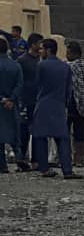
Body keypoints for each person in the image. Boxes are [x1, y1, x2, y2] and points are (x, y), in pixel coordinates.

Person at [32, 38, 81, 180]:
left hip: (42, 105)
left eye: (41, 49)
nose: (40, 51)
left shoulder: (41, 66)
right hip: (58, 105)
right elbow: (68, 90)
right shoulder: (65, 67)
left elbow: (37, 84)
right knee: (62, 138)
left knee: (41, 137)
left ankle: (44, 168)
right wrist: (64, 104)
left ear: (47, 50)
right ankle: (67, 170)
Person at [14, 33, 43, 172]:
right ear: (33, 44)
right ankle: (21, 160)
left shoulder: (42, 61)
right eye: (40, 44)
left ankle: (36, 161)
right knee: (23, 131)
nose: (41, 47)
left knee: (37, 131)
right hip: (25, 100)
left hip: (38, 100)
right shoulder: (21, 60)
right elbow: (18, 80)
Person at [65, 40, 84, 168]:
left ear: (72, 53)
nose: (66, 54)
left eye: (67, 52)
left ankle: (66, 157)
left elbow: (70, 86)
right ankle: (80, 159)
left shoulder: (70, 67)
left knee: (65, 131)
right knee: (80, 132)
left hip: (72, 102)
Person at [0, 38, 22, 173]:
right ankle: (20, 159)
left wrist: (2, 99)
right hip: (12, 105)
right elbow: (20, 85)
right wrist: (11, 99)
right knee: (15, 133)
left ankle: (2, 165)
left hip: (1, 103)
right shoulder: (16, 65)